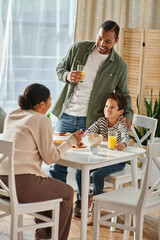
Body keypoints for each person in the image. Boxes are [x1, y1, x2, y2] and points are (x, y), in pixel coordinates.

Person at [49, 20, 134, 183]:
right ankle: (58, 202)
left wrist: (128, 115)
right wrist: (67, 76)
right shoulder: (78, 49)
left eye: (108, 41)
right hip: (65, 115)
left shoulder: (119, 66)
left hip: (91, 121)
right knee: (57, 162)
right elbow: (60, 68)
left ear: (116, 41)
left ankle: (82, 203)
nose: (102, 43)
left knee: (86, 164)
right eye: (99, 38)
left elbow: (124, 94)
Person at [0, 83, 84, 240]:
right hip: (22, 185)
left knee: (49, 189)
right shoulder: (40, 119)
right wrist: (71, 140)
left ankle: (43, 237)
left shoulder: (12, 115)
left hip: (3, 183)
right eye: (50, 101)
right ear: (41, 104)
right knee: (66, 193)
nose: (51, 105)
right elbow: (51, 157)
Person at [74, 92, 130, 218]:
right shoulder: (101, 121)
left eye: (112, 107)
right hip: (102, 159)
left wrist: (123, 144)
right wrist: (101, 138)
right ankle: (85, 201)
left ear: (120, 111)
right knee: (79, 172)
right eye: (106, 106)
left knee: (98, 175)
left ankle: (96, 202)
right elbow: (88, 132)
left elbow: (126, 137)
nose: (107, 109)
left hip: (117, 161)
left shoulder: (121, 124)